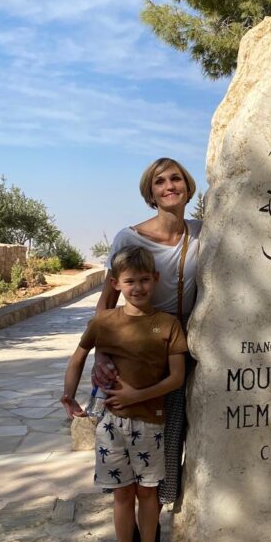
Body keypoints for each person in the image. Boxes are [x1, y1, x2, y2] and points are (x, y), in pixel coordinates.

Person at [61, 245, 187, 542]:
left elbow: (176, 378)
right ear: (116, 283)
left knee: (148, 494)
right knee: (121, 495)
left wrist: (136, 396)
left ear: (155, 280)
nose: (138, 288)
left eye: (145, 280)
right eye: (130, 281)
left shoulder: (168, 325)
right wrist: (68, 395)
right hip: (111, 427)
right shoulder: (104, 321)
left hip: (150, 424)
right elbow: (78, 356)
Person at [94, 157, 202, 515]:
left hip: (179, 342)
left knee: (169, 436)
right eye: (160, 182)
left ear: (187, 187)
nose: (169, 186)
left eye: (176, 179)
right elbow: (108, 301)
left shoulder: (201, 233)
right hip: (137, 345)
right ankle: (134, 536)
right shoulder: (129, 237)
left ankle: (156, 518)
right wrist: (101, 354)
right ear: (150, 192)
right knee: (131, 432)